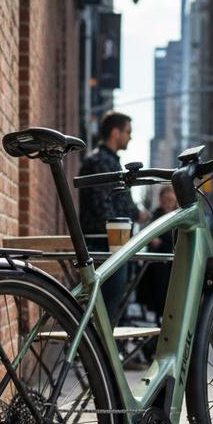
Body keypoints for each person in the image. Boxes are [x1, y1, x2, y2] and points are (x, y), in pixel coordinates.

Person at [78, 111, 144, 322]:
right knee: (106, 308)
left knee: (108, 307)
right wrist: (124, 225)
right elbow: (103, 206)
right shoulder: (100, 162)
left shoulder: (109, 161)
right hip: (105, 245)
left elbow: (118, 202)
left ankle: (100, 351)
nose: (130, 137)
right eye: (127, 132)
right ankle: (98, 352)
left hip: (112, 244)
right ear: (115, 133)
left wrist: (135, 213)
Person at [138, 185, 178, 320]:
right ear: (161, 200)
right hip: (157, 263)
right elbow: (147, 234)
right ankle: (157, 320)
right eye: (165, 199)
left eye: (170, 199)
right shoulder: (156, 215)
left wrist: (162, 242)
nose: (167, 202)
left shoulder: (179, 216)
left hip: (174, 263)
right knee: (157, 292)